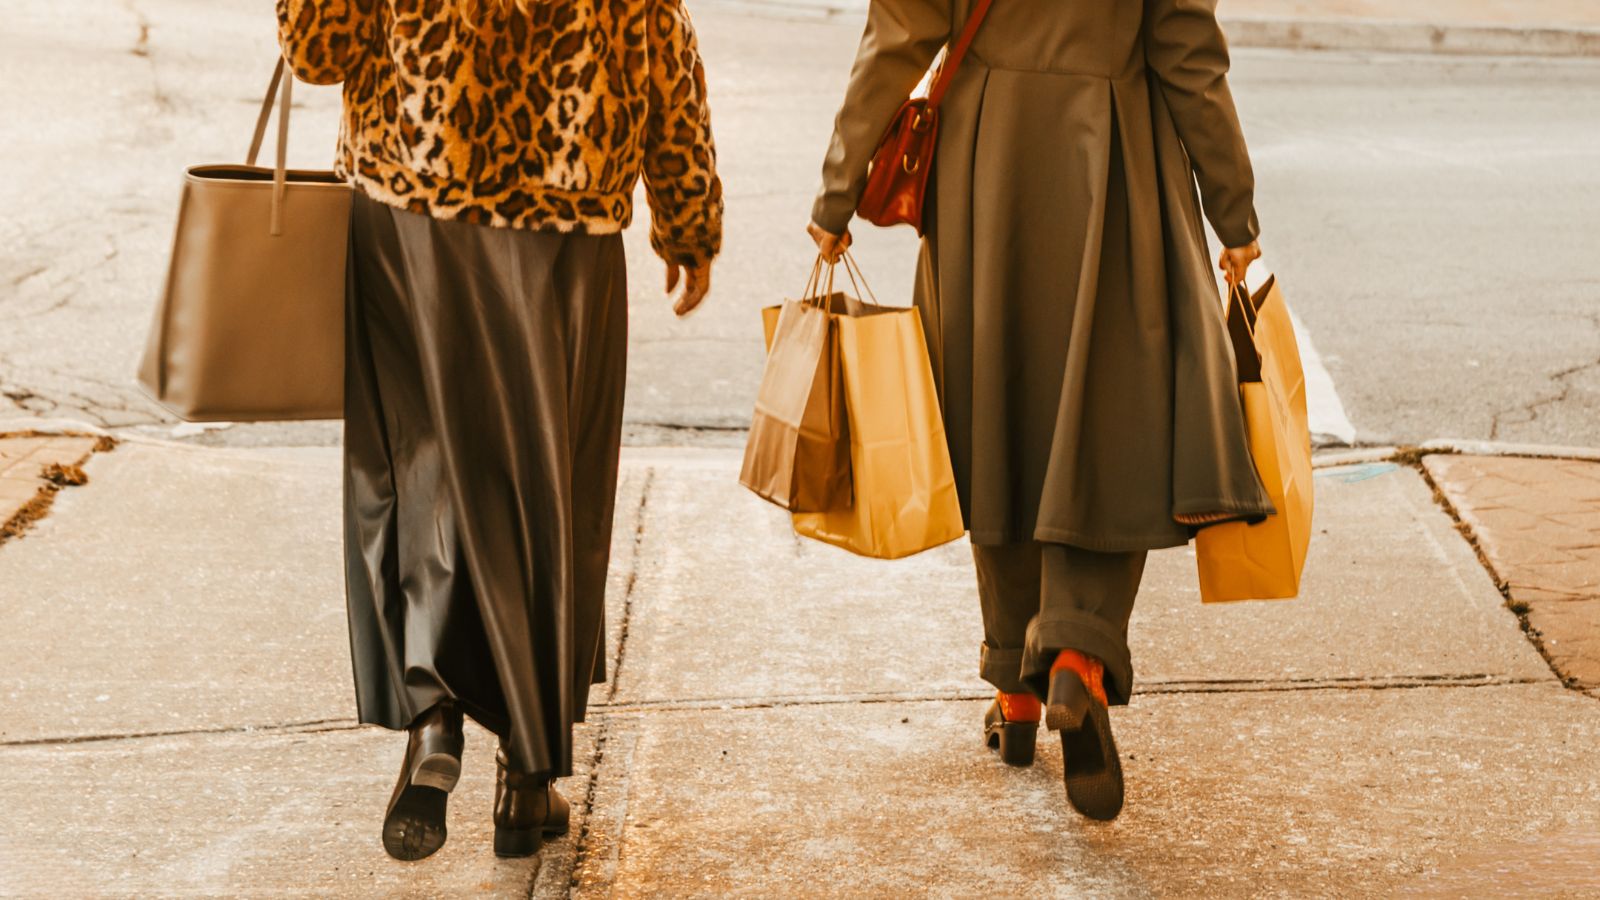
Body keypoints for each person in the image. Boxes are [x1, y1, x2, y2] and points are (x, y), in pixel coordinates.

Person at [276, 0, 722, 860]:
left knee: (415, 462)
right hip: (569, 224)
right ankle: (526, 773)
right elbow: (659, 40)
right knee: (552, 482)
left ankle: (432, 714)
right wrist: (687, 216)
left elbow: (315, 47)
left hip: (412, 205)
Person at [810, 0, 1272, 821]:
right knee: (1105, 414)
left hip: (988, 167)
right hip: (1118, 153)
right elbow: (1187, 52)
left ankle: (1012, 686)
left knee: (998, 408)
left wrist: (838, 190)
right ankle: (1074, 657)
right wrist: (1232, 210)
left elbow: (898, 35)